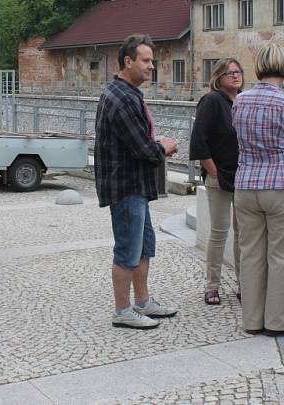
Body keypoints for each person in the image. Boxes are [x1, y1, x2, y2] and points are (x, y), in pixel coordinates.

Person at [95, 33, 179, 329]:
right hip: (126, 186)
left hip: (136, 185)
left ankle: (143, 302)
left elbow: (137, 141)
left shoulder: (127, 94)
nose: (151, 66)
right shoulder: (120, 98)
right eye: (145, 60)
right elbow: (142, 148)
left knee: (143, 246)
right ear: (127, 61)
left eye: (152, 61)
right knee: (127, 250)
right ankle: (122, 311)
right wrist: (164, 146)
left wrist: (154, 143)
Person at [233, 42, 284, 336]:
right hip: (281, 183)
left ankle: (252, 321)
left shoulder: (239, 101)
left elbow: (239, 137)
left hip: (245, 185)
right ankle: (278, 322)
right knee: (281, 256)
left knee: (251, 254)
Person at [189, 58, 243, 306]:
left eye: (238, 71)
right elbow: (199, 141)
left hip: (242, 177)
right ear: (218, 77)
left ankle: (246, 284)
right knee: (220, 232)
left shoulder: (242, 101)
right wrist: (213, 173)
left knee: (244, 234)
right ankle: (212, 285)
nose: (235, 76)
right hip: (219, 176)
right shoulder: (211, 101)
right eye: (229, 73)